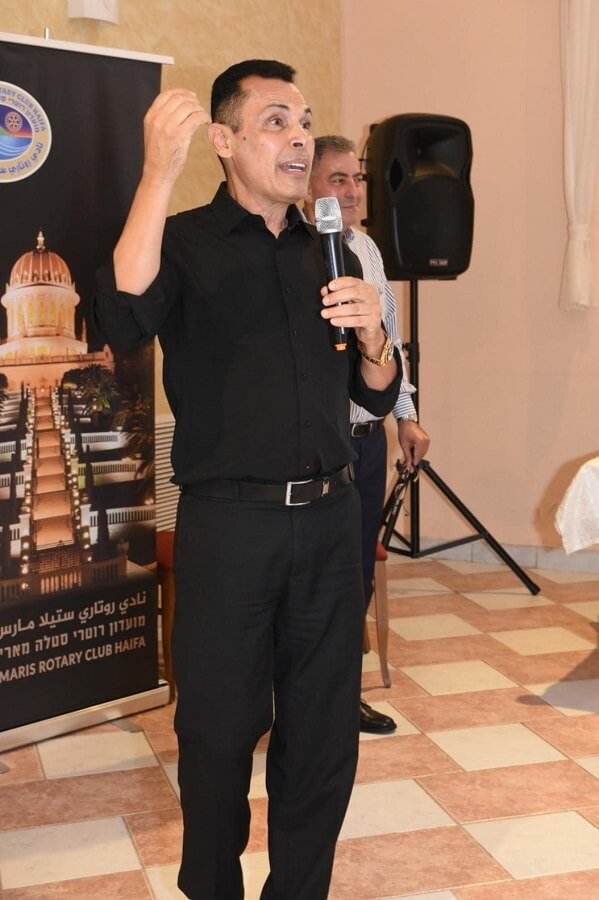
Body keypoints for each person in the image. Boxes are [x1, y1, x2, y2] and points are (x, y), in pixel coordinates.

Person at [93, 61, 401, 900]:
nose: (299, 137)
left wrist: (376, 339)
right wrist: (157, 173)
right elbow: (123, 321)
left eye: (304, 120)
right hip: (230, 530)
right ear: (223, 141)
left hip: (330, 522)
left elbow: (374, 391)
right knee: (217, 731)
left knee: (323, 734)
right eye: (275, 121)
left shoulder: (333, 249)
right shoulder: (184, 241)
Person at [304, 136, 430, 734]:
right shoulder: (298, 253)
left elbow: (389, 340)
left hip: (366, 438)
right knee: (309, 580)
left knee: (354, 574)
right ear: (306, 188)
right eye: (338, 180)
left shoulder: (369, 250)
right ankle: (292, 698)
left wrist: (406, 414)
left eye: (356, 178)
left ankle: (340, 698)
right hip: (316, 446)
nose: (353, 191)